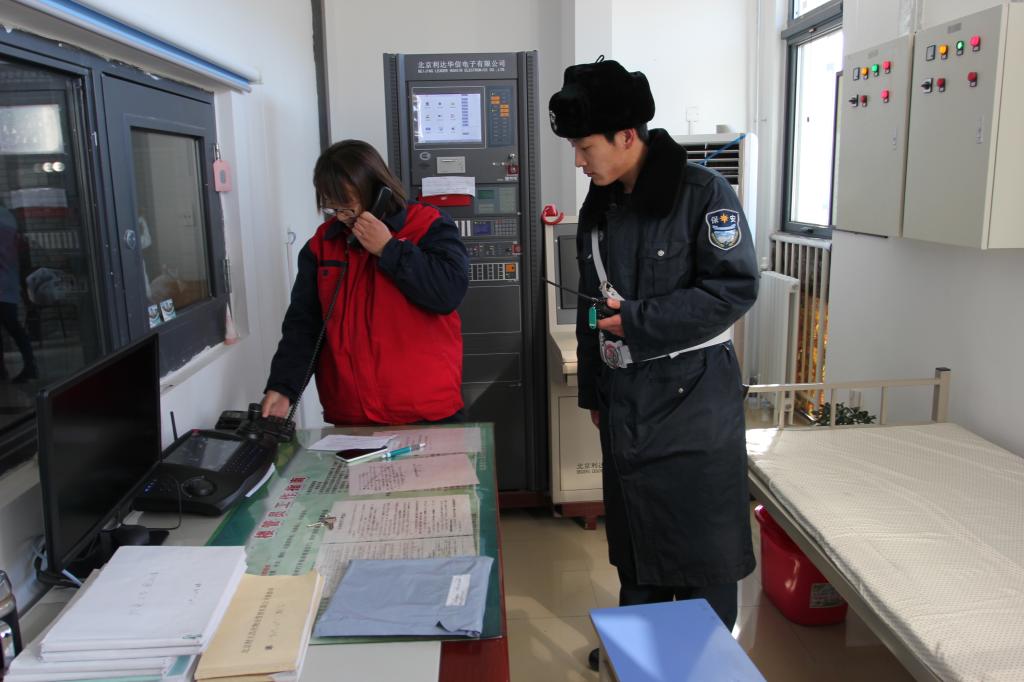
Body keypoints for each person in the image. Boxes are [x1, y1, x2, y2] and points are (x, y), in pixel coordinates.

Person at [548, 58, 759, 671]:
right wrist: (594, 391)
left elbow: (733, 290)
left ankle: (698, 664)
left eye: (585, 147)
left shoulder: (703, 194)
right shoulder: (601, 205)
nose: (579, 161)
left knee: (701, 549)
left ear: (626, 136)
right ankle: (640, 655)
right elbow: (593, 304)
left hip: (694, 403)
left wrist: (641, 320)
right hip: (627, 399)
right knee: (636, 543)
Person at [262, 140, 468, 425]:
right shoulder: (322, 245)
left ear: (377, 191)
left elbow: (448, 293)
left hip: (426, 410)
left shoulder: (428, 224)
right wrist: (283, 386)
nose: (342, 218)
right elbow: (304, 324)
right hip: (353, 414)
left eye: (347, 207)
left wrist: (389, 249)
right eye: (333, 209)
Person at [0, 203, 37, 383]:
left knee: (12, 326)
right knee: (13, 326)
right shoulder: (10, 219)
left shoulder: (4, 221)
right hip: (9, 282)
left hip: (3, 283)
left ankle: (27, 367)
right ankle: (29, 366)